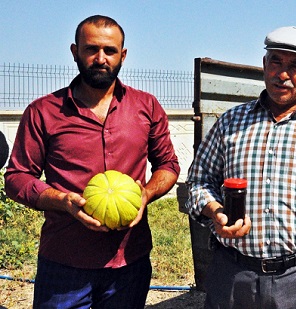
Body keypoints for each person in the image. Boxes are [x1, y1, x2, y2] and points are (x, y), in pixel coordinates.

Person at [5, 15, 180, 308]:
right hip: (65, 260)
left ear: (122, 55)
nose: (100, 58)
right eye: (91, 49)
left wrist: (145, 194)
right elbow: (17, 177)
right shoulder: (43, 111)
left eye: (110, 51)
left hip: (129, 260)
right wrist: (63, 201)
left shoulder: (146, 106)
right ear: (75, 52)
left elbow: (168, 166)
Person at [185, 26, 296, 309]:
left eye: (295, 66)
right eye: (276, 62)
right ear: (264, 65)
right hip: (232, 274)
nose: (282, 74)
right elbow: (198, 183)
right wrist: (215, 211)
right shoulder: (230, 122)